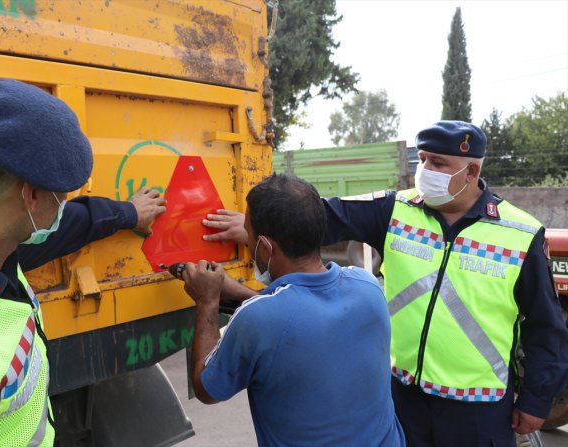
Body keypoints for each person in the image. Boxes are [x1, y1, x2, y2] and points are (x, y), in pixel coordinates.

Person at [201, 121, 568, 446]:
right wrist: (257, 229)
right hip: (402, 396)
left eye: (438, 164)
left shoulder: (519, 234)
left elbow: (546, 325)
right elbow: (319, 217)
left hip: (477, 408)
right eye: (422, 159)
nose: (426, 171)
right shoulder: (397, 209)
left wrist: (536, 400)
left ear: (472, 171)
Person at [0, 79, 166, 446]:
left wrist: (126, 213)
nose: (62, 208)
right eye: (62, 197)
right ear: (32, 195)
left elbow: (66, 227)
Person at [181, 174, 405, 447]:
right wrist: (240, 293)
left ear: (265, 248)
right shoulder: (367, 286)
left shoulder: (258, 319)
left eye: (249, 236)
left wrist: (207, 301)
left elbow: (207, 388)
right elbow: (299, 316)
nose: (248, 244)